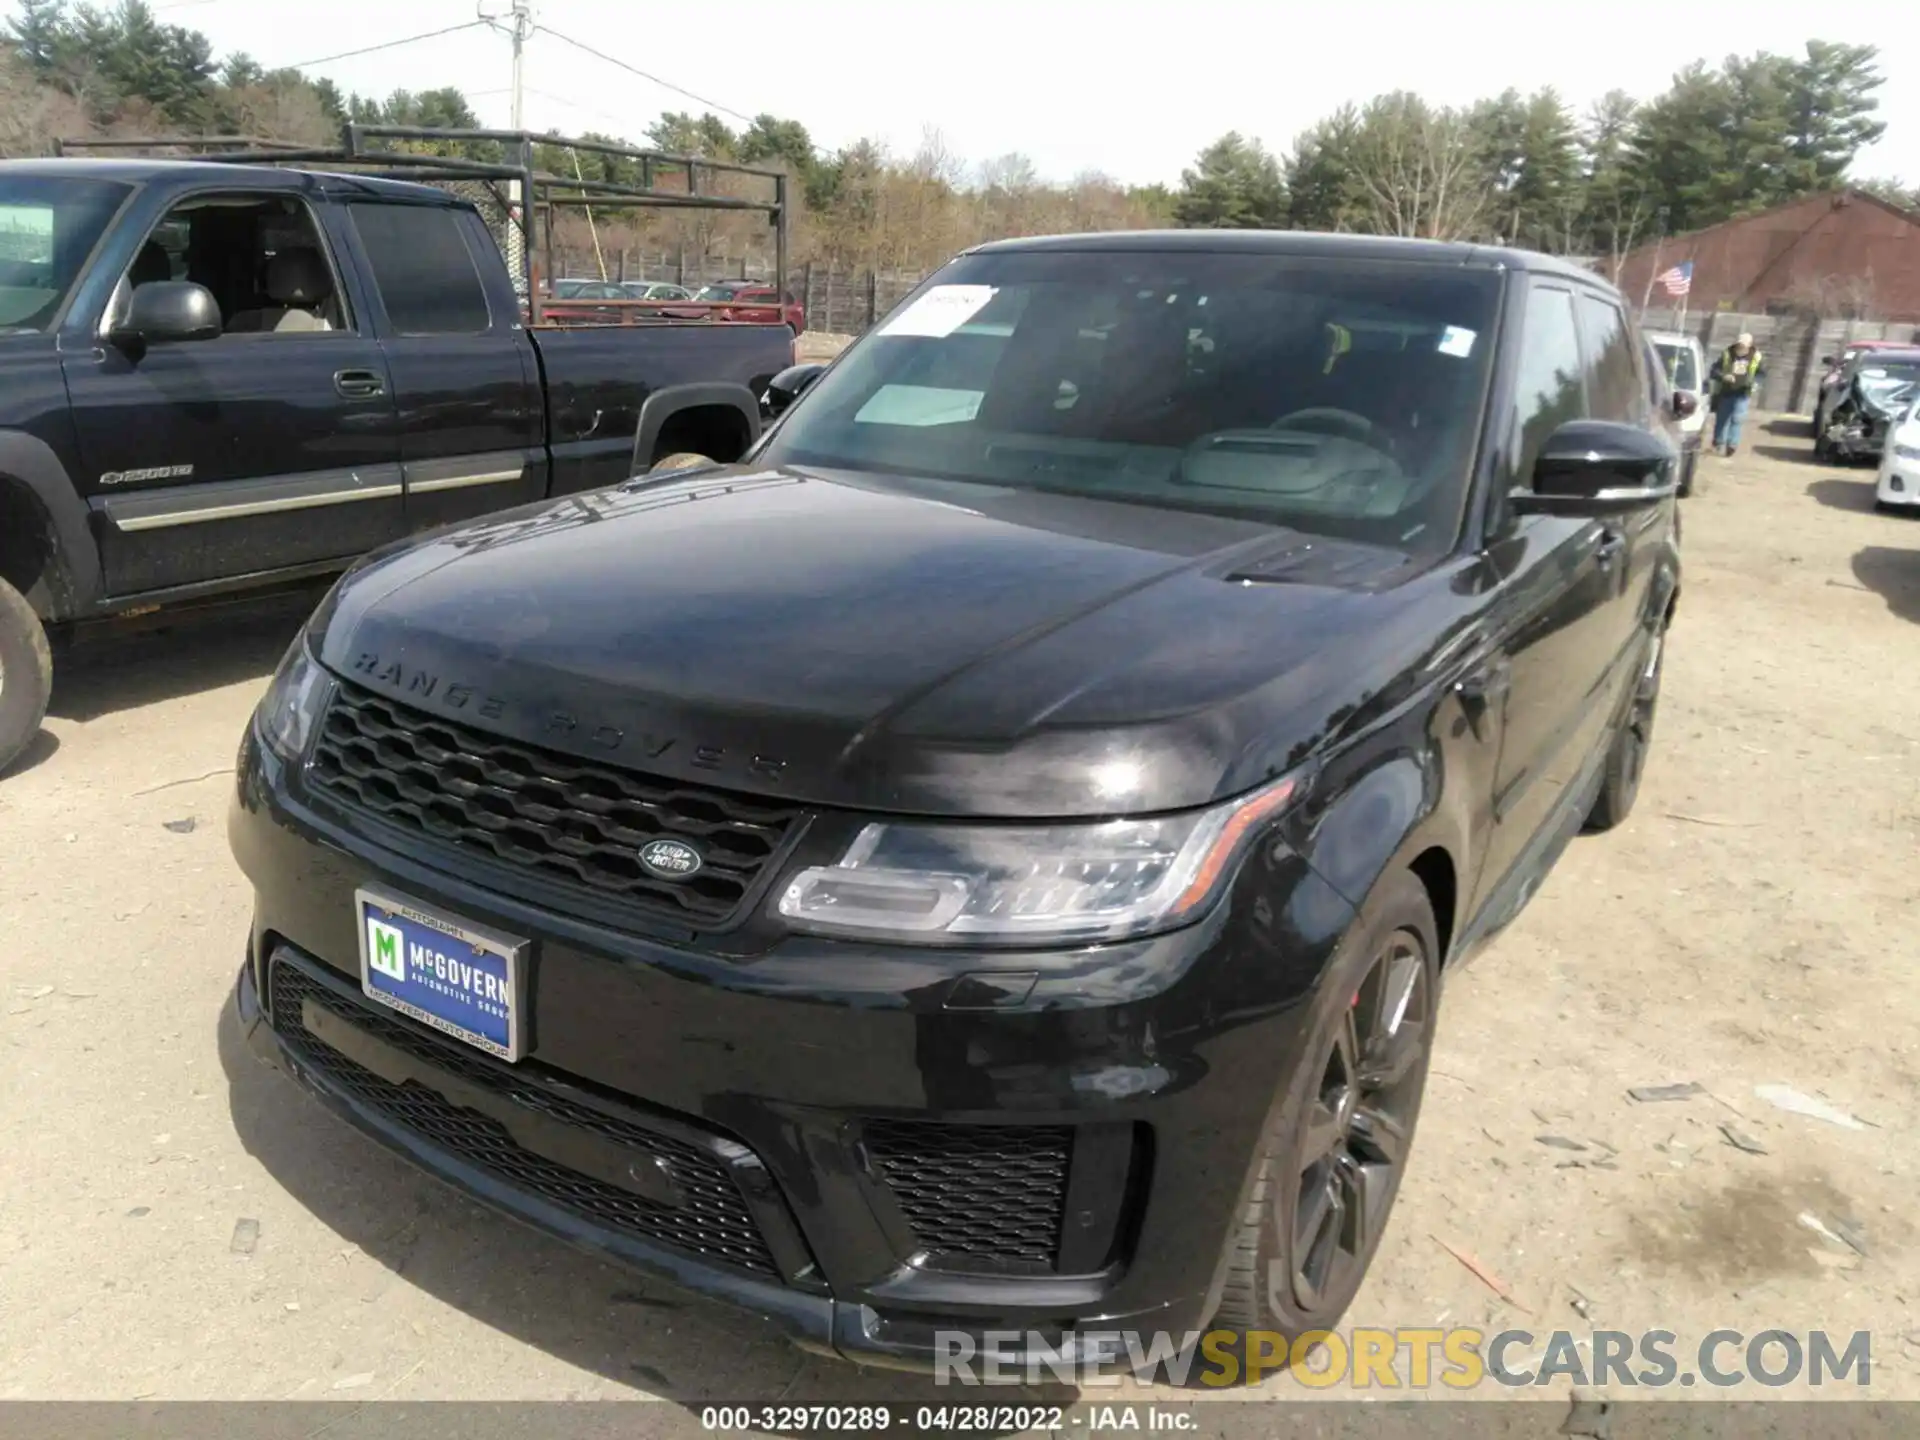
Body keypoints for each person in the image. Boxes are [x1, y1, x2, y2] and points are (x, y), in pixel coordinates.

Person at [1708, 332, 1765, 457]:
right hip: (1726, 391)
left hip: (1743, 393)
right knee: (1722, 418)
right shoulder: (1727, 354)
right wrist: (1724, 376)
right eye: (1739, 345)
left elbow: (1761, 374)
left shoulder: (1756, 357)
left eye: (1744, 345)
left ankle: (1732, 445)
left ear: (1749, 345)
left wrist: (1755, 383)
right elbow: (1714, 370)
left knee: (1737, 419)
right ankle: (1718, 442)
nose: (1741, 347)